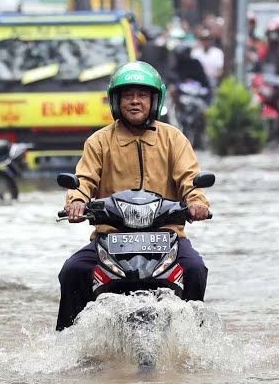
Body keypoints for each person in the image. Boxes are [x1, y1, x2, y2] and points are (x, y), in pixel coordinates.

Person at [56, 61, 212, 331]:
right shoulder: (99, 141)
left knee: (196, 268)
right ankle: (69, 342)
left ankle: (192, 338)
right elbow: (84, 180)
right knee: (72, 271)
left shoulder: (174, 139)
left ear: (155, 100)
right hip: (111, 238)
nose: (135, 102)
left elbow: (189, 179)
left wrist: (197, 202)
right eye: (128, 95)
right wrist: (77, 202)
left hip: (167, 238)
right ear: (116, 101)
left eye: (142, 95)